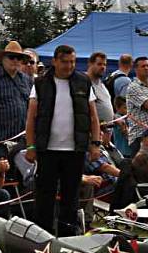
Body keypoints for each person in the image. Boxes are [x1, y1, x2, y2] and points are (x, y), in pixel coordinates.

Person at [25, 44, 100, 236]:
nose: (69, 66)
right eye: (65, 62)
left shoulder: (83, 82)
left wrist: (95, 144)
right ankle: (42, 237)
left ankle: (68, 238)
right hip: (47, 150)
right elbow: (31, 117)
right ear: (55, 61)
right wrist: (31, 145)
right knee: (44, 198)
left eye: (72, 62)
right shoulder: (41, 83)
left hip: (75, 150)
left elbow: (93, 116)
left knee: (71, 198)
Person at [87, 52, 115, 126]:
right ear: (90, 64)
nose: (103, 67)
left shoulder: (102, 85)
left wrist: (116, 119)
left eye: (104, 64)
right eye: (99, 64)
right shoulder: (84, 83)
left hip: (107, 133)